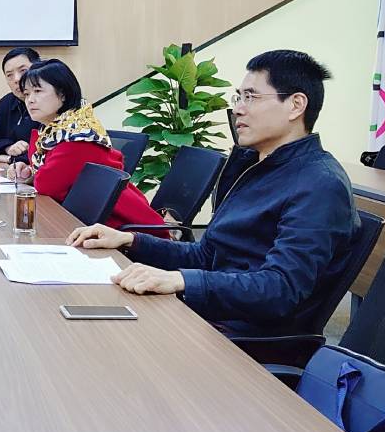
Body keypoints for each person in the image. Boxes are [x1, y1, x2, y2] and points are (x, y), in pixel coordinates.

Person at [68, 50, 359, 336]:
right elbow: (207, 255)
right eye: (238, 97)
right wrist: (131, 240)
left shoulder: (319, 184)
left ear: (295, 105)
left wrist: (182, 281)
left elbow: (280, 289)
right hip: (209, 315)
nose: (238, 109)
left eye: (251, 97)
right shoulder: (254, 165)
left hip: (241, 338)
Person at [7, 59, 167, 235]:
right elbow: (51, 176)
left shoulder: (77, 138)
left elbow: (46, 185)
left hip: (125, 232)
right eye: (27, 94)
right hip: (90, 225)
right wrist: (30, 172)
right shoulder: (57, 131)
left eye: (38, 91)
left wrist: (35, 175)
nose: (30, 100)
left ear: (63, 94)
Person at [0, 48, 43, 164]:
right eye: (9, 75)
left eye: (23, 71)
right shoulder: (7, 102)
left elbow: (46, 153)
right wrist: (8, 148)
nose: (17, 79)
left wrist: (9, 159)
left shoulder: (48, 103)